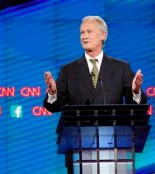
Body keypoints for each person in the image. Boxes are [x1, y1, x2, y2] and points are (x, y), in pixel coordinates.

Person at [43, 15, 148, 173]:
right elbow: (55, 106)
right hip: (79, 148)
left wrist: (135, 91)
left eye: (89, 31)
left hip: (114, 148)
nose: (84, 36)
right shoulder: (68, 70)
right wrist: (53, 92)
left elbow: (137, 105)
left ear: (103, 35)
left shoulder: (121, 67)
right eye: (81, 32)